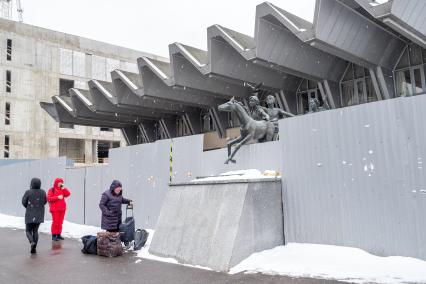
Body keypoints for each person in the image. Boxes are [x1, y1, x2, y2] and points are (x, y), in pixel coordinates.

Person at [21, 178, 47, 254]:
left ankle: (32, 242)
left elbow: (23, 202)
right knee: (35, 231)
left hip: (30, 214)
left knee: (28, 230)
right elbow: (45, 201)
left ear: (32, 183)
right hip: (39, 214)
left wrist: (29, 207)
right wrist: (38, 207)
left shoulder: (28, 192)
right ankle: (34, 248)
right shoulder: (43, 192)